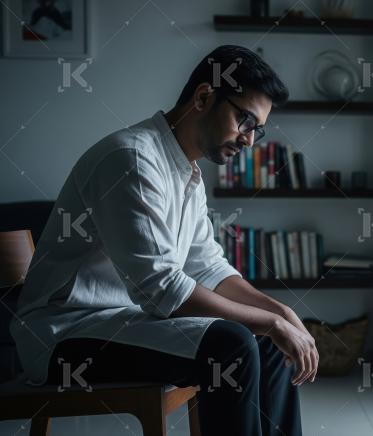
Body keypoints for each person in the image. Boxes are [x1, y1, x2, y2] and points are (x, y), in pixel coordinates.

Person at [10, 45, 316, 436]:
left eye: (257, 129)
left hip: (122, 322)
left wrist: (281, 315)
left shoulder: (187, 174)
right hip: (65, 335)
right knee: (234, 345)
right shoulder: (132, 160)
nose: (249, 140)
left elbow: (209, 268)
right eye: (244, 120)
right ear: (205, 97)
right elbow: (162, 291)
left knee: (268, 342)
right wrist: (270, 322)